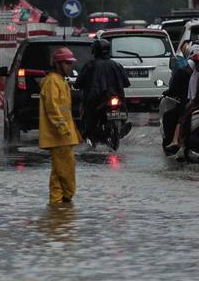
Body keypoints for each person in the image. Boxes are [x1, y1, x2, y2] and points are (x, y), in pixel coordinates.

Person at [40, 47, 82, 203]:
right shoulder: (52, 82)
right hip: (59, 137)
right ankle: (65, 201)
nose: (70, 67)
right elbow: (53, 109)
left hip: (64, 136)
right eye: (67, 63)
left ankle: (57, 208)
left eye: (70, 63)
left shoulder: (60, 82)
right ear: (58, 64)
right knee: (66, 171)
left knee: (58, 174)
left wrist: (74, 131)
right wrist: (64, 129)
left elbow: (66, 112)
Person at [74, 38, 131, 141]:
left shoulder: (90, 65)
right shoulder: (116, 65)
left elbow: (78, 83)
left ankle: (91, 133)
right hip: (114, 98)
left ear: (95, 51)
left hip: (94, 100)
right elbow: (126, 83)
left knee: (88, 116)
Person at [162, 43, 199, 154]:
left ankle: (176, 141)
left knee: (177, 116)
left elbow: (182, 92)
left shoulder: (189, 72)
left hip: (193, 104)